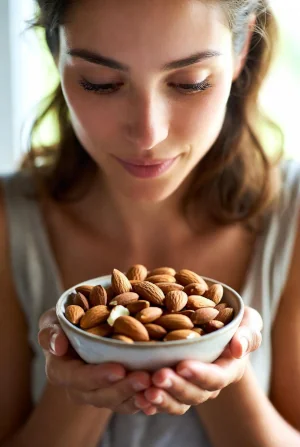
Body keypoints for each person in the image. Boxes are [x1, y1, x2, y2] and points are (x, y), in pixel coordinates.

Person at [0, 0, 299, 446]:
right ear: (55, 52)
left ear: (239, 53)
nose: (148, 134)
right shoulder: (10, 221)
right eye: (100, 83)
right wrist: (85, 369)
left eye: (189, 82)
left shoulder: (291, 214)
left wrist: (217, 361)